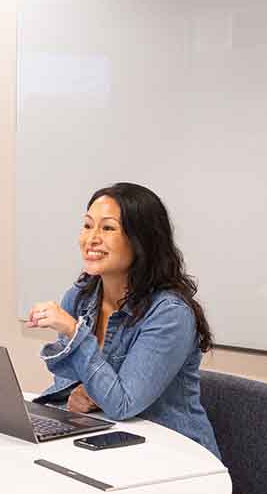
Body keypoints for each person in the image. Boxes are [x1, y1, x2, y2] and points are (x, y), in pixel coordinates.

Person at [26, 183, 221, 459]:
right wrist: (77, 394)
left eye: (107, 228)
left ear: (141, 241)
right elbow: (70, 384)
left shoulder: (170, 314)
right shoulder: (80, 297)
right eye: (87, 225)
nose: (91, 238)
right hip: (109, 446)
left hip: (175, 457)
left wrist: (73, 331)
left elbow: (122, 405)